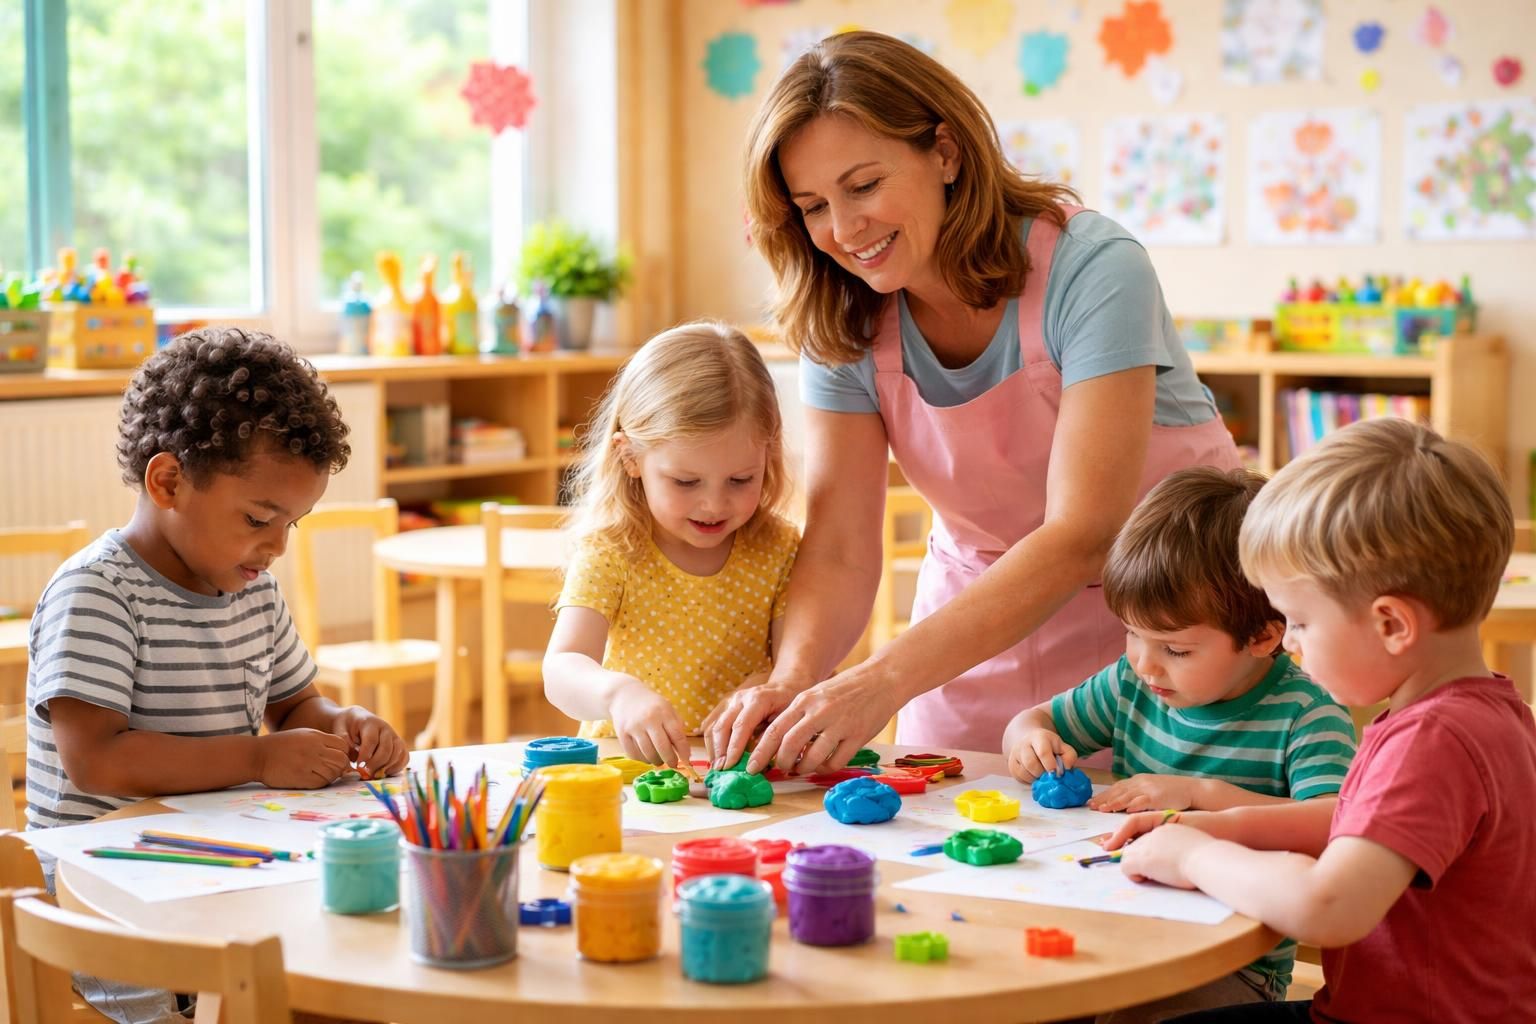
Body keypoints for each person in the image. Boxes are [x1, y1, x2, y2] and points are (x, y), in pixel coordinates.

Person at [705, 30, 1240, 774]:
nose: (844, 229)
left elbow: (1084, 529)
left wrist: (880, 679)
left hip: (1164, 636)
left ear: (946, 153)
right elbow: (840, 546)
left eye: (863, 186)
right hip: (969, 635)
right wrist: (795, 679)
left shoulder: (1094, 270)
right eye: (812, 206)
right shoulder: (839, 314)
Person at [26, 326, 410, 1022]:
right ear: (168, 481)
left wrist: (344, 727)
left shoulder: (250, 589)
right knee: (242, 998)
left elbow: (297, 705)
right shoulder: (97, 592)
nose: (278, 546)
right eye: (261, 518)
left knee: (345, 959)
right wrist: (260, 757)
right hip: (104, 889)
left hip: (219, 863)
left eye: (293, 523)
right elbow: (96, 763)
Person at [1104, 418, 1536, 1024]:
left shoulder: (1433, 740)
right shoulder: (1486, 711)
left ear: (1391, 625)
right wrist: (1218, 825)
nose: (1293, 645)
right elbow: (1359, 823)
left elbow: (1328, 908)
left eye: (1301, 622)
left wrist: (1196, 858)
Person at [1002, 467, 1356, 1020]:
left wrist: (1202, 792)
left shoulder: (1306, 716)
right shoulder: (1132, 683)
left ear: (1265, 636)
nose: (1144, 661)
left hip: (1228, 965)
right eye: (1132, 632)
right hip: (1111, 925)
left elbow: (1337, 826)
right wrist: (1031, 739)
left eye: (1176, 648)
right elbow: (1035, 718)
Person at [543, 321, 798, 769]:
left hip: (744, 771)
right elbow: (561, 669)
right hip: (628, 771)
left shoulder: (778, 548)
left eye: (742, 479)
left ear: (768, 455)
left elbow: (802, 665)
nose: (714, 503)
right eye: (685, 480)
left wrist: (770, 688)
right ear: (630, 457)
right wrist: (618, 694)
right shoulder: (613, 549)